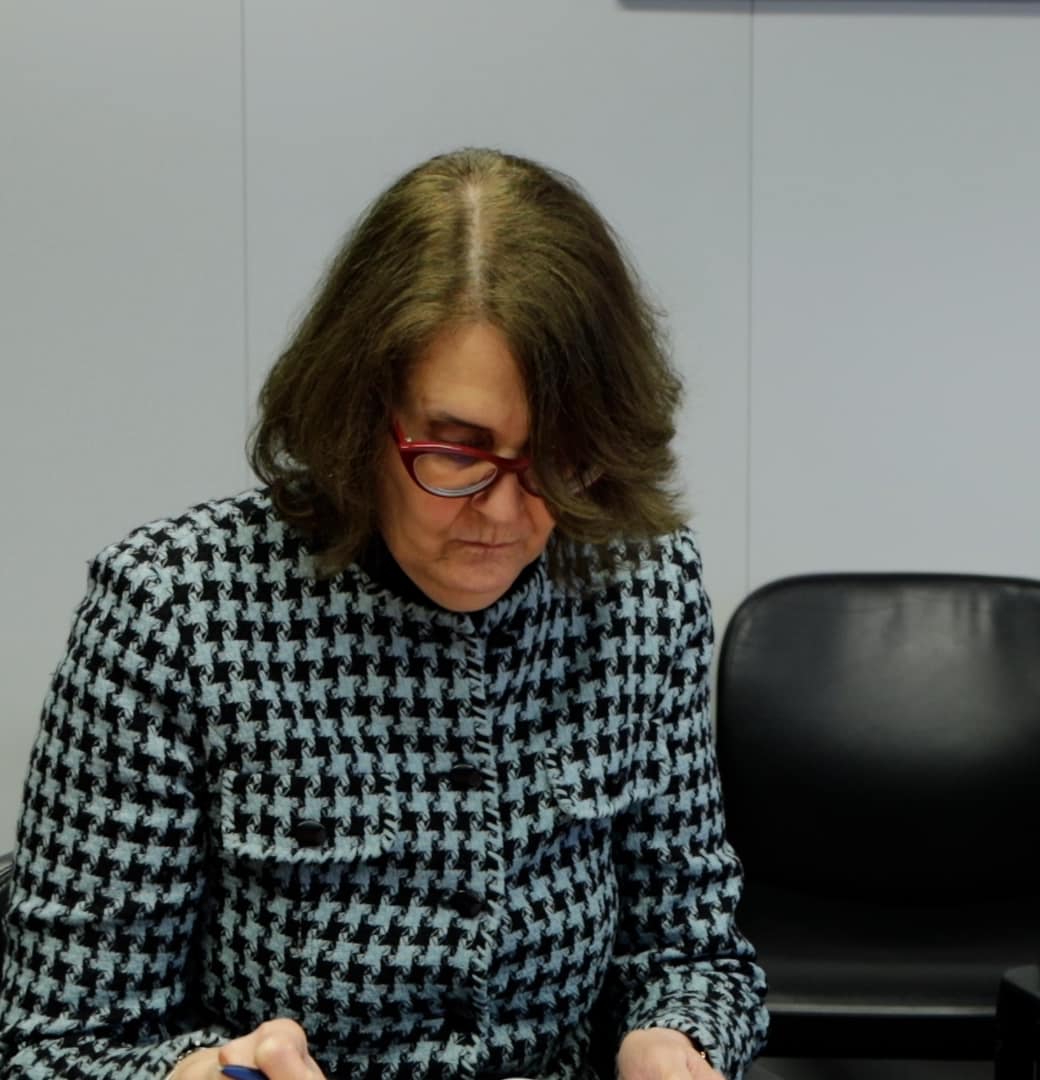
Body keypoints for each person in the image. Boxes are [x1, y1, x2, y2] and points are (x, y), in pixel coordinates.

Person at [0, 149, 768, 1080]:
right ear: (358, 417)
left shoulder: (638, 588)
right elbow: (60, 1042)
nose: (505, 511)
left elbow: (691, 950)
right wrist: (195, 1072)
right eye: (458, 452)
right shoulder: (173, 612)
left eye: (561, 456)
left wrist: (672, 1038)